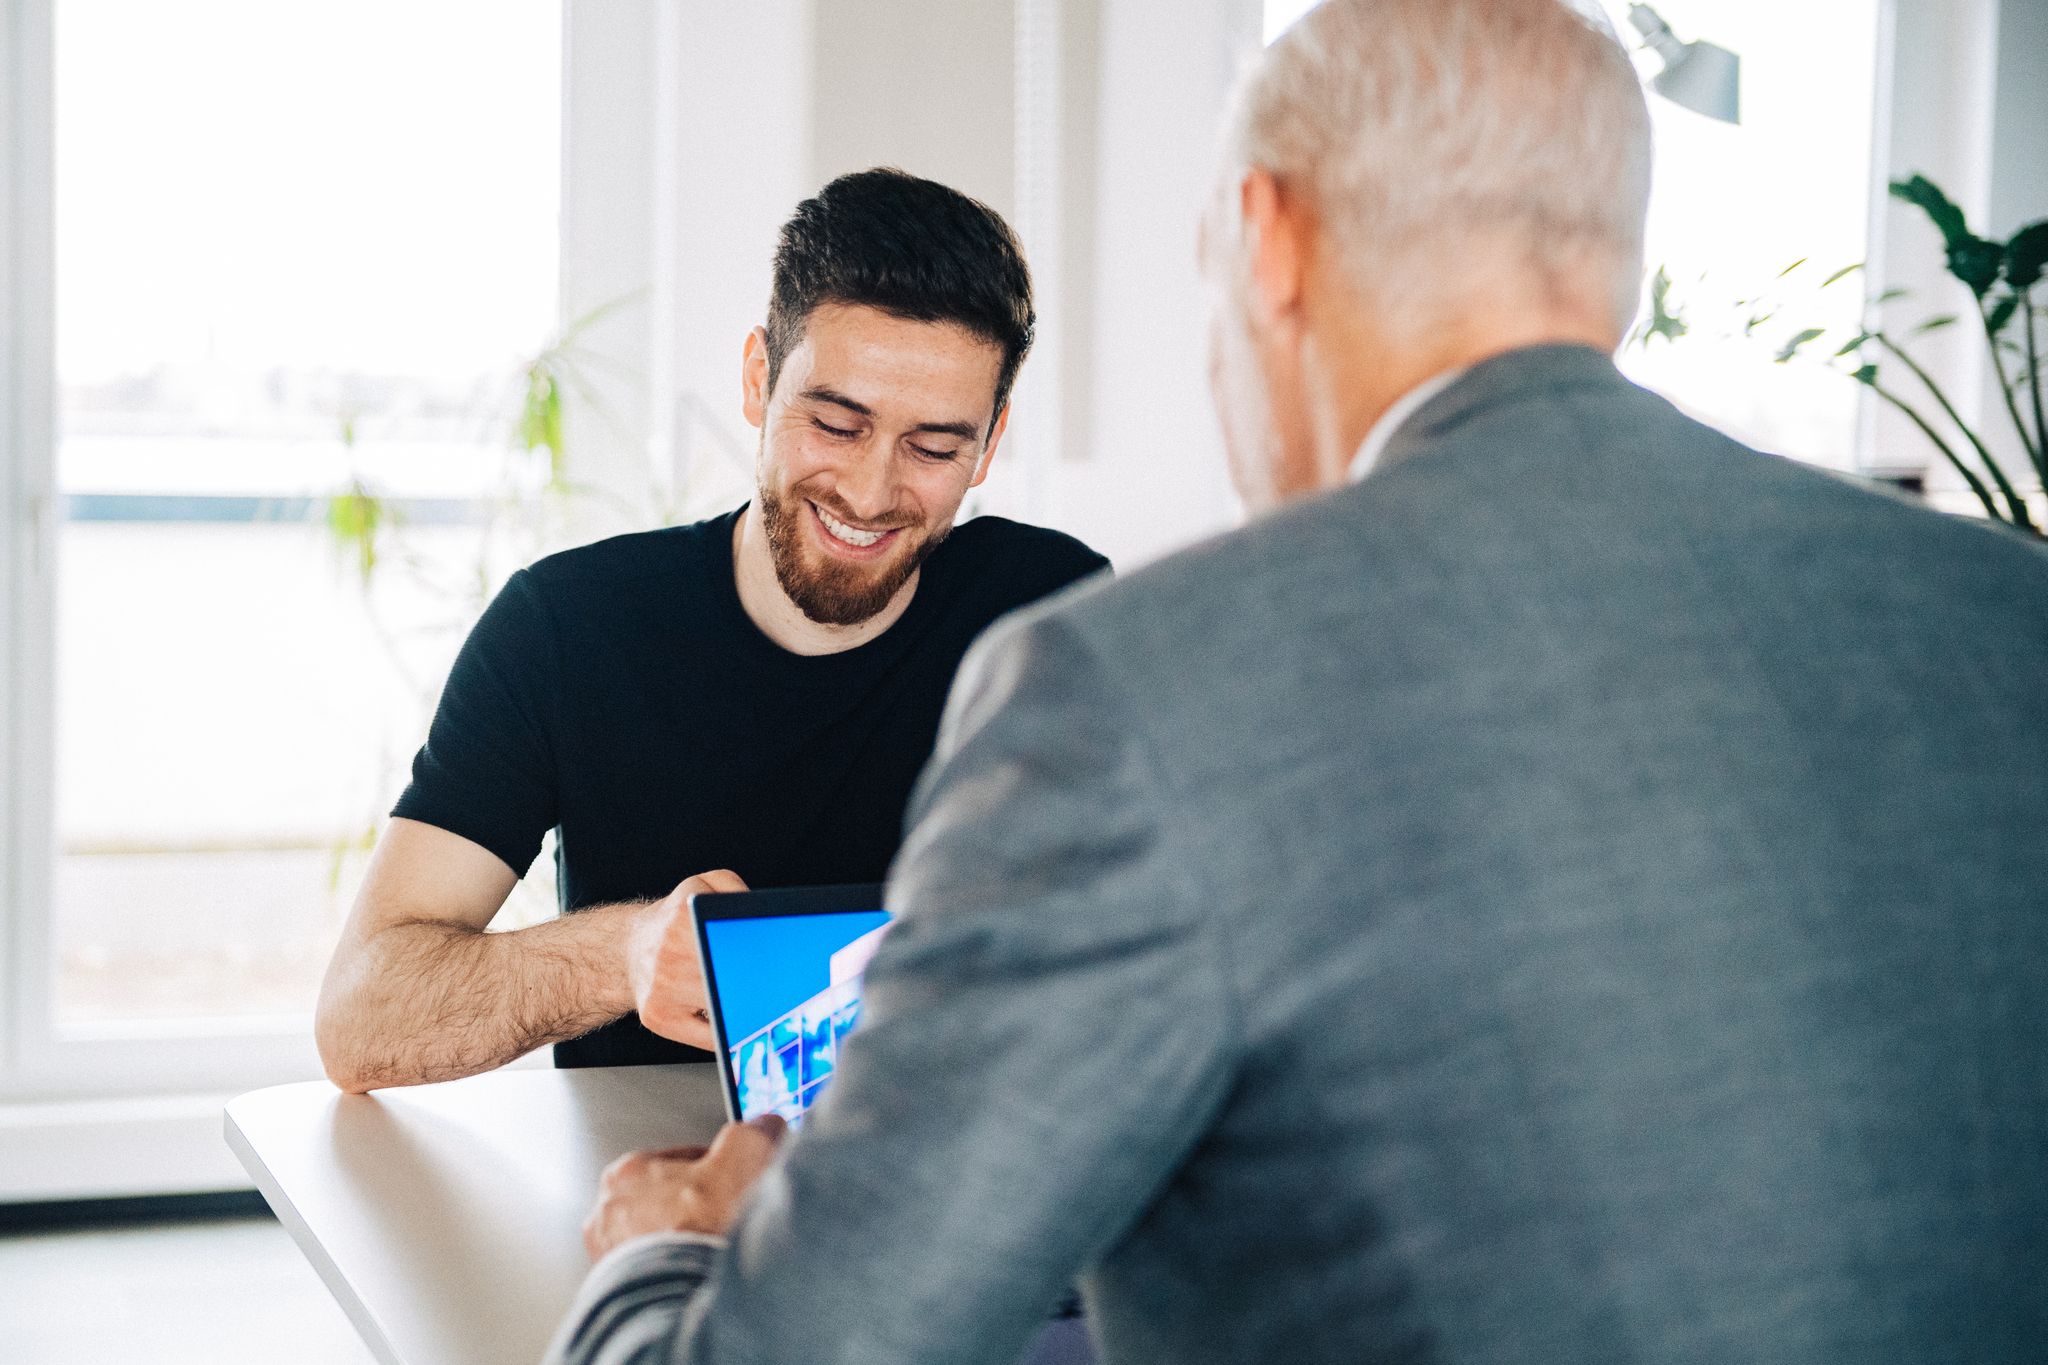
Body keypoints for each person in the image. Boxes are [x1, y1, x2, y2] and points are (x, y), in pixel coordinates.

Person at [550, 1, 2048, 1361]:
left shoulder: (1129, 685)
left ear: (1265, 239)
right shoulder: (2012, 612)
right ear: (1613, 257)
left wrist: (660, 1255)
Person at [314, 169, 1108, 1090]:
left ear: (990, 443)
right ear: (758, 378)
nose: (870, 490)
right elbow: (358, 1019)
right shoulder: (568, 629)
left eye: (933, 447)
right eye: (836, 422)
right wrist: (626, 951)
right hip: (648, 1191)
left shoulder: (1051, 614)